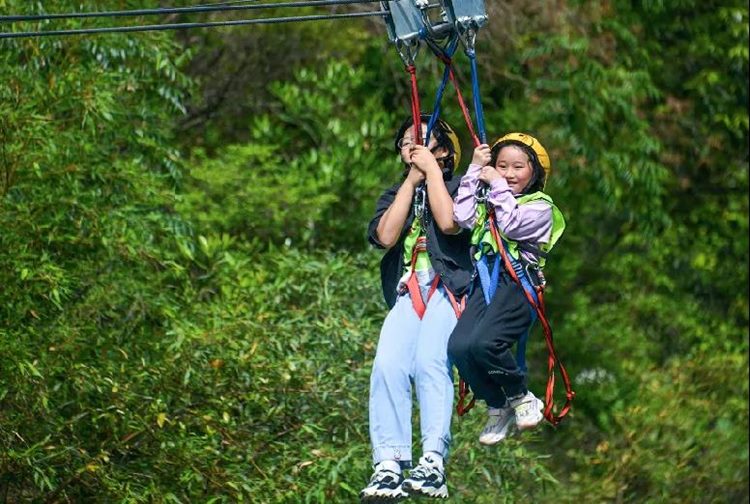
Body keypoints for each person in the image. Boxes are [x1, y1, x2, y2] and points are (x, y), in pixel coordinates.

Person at [360, 115, 473, 502]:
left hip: (449, 288)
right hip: (409, 289)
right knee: (388, 365)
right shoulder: (396, 195)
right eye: (406, 141)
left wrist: (433, 176)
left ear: (443, 151)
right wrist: (412, 180)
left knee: (430, 361)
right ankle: (389, 462)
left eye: (422, 140)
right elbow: (386, 236)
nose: (412, 145)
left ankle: (433, 459)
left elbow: (450, 222)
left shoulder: (461, 187)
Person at [447, 132, 566, 446]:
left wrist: (495, 184)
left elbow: (512, 225)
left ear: (534, 173)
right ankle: (497, 405)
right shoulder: (491, 203)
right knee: (459, 347)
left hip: (517, 286)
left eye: (518, 167)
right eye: (502, 167)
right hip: (485, 283)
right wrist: (474, 170)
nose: (509, 174)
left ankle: (520, 395)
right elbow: (460, 216)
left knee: (487, 343)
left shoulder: (540, 207)